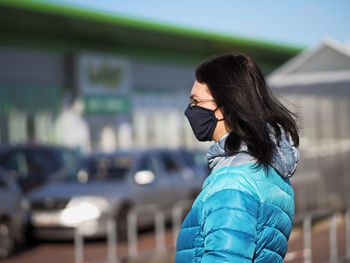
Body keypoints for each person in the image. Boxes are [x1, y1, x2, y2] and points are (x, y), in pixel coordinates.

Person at [175, 52, 299, 262]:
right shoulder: (265, 165)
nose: (190, 110)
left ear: (225, 106)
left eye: (196, 101)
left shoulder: (234, 181)